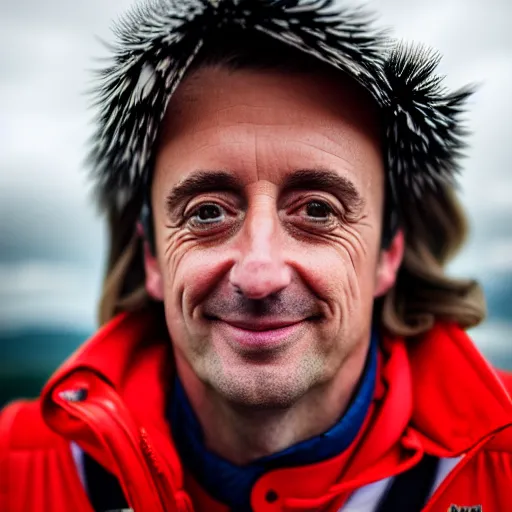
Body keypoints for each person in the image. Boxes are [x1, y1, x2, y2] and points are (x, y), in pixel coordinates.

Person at [1, 0, 511, 510]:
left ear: (388, 255)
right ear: (152, 257)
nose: (260, 273)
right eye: (206, 213)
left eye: (317, 209)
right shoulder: (15, 471)